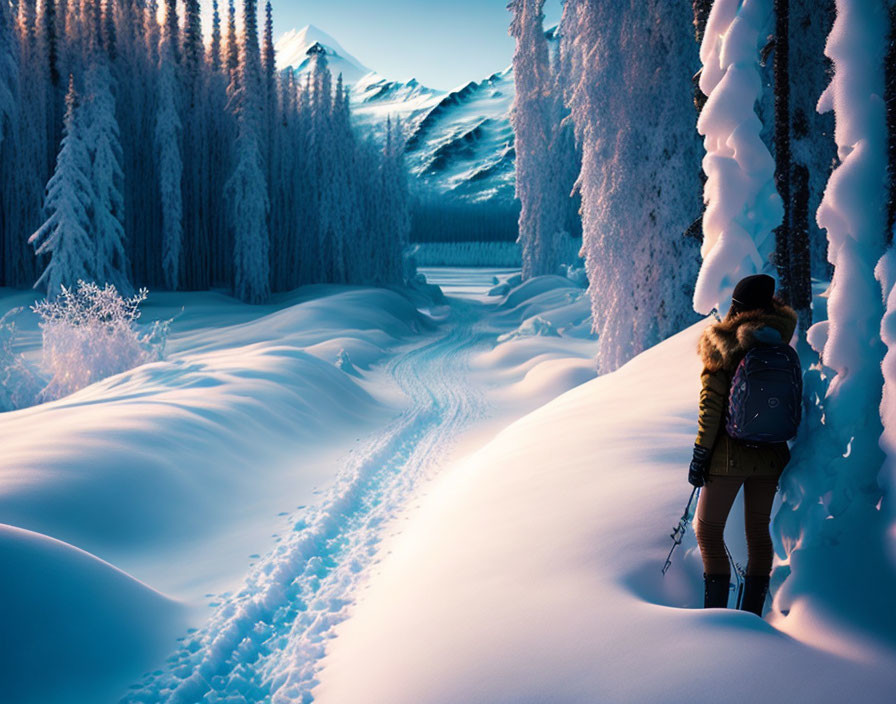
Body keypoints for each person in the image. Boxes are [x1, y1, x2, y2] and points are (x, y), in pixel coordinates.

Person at [688, 274, 798, 615]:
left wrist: (700, 455)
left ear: (737, 308)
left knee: (707, 531)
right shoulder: (779, 341)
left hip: (728, 458)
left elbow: (711, 406)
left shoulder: (723, 345)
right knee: (758, 535)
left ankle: (715, 615)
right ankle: (750, 617)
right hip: (771, 456)